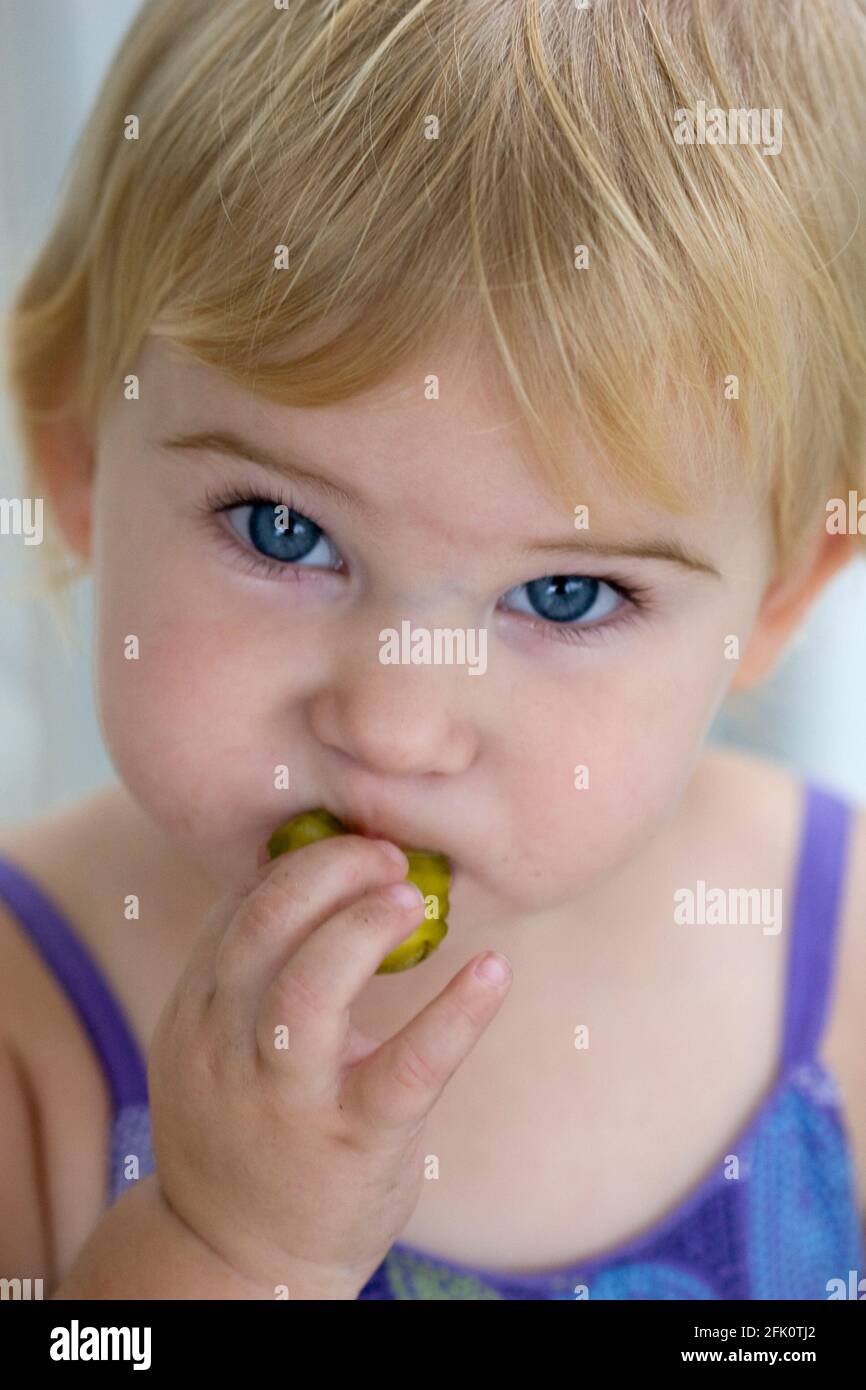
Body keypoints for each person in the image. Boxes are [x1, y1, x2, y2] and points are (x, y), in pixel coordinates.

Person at [1, 0, 865, 1300]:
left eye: (566, 594)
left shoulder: (843, 960)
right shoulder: (28, 1026)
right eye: (284, 530)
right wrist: (223, 1246)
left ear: (781, 596)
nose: (394, 727)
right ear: (74, 454)